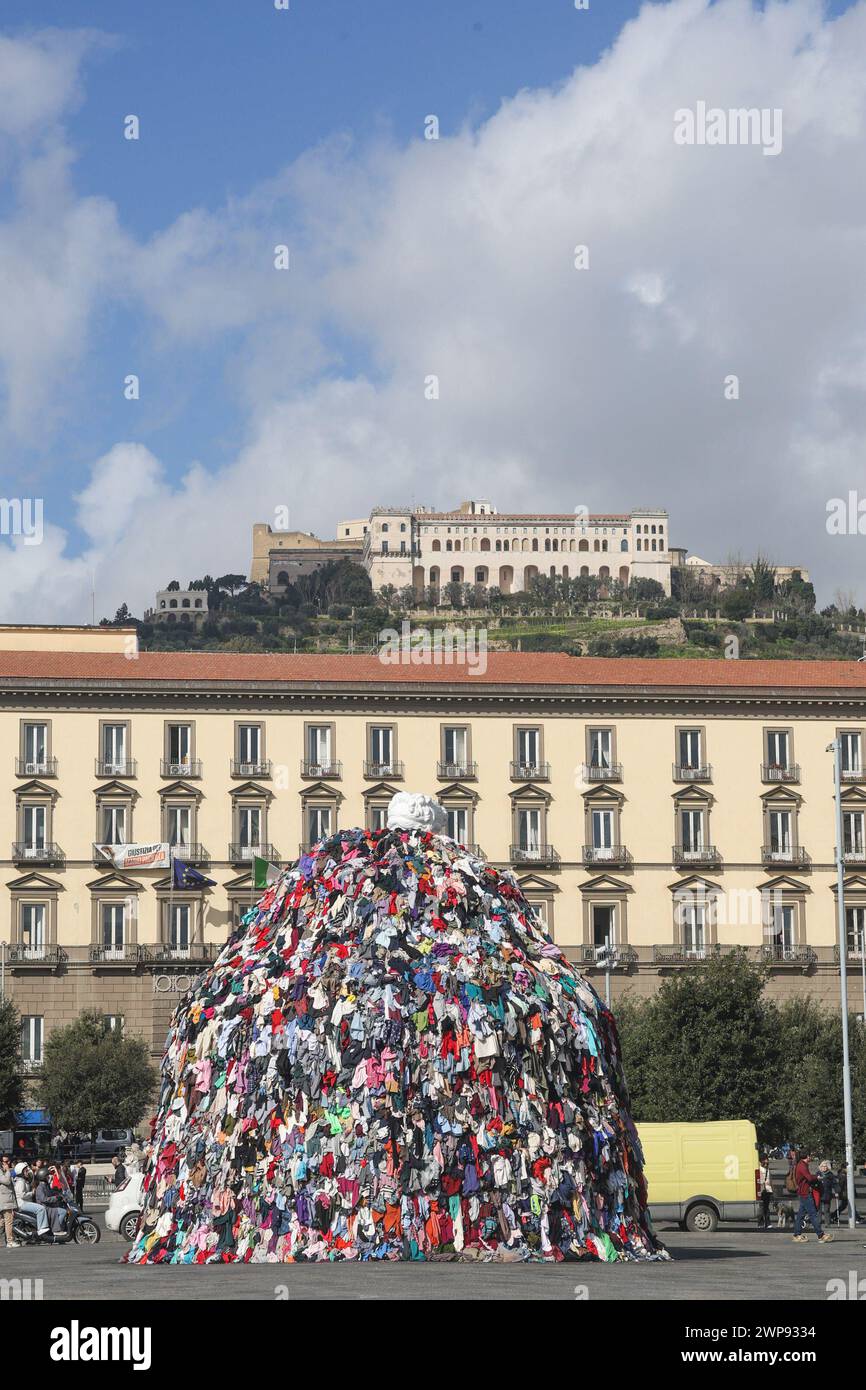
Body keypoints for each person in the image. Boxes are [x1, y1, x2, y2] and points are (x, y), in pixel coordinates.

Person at [792, 1150, 834, 1243]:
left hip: (803, 1193)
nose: (811, 1158)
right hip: (806, 1193)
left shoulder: (801, 1164)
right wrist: (817, 1177)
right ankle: (821, 1235)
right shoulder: (802, 1165)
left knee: (801, 1215)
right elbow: (809, 1178)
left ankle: (796, 1234)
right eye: (810, 1156)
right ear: (807, 1156)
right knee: (813, 1214)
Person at [12, 1163, 51, 1239]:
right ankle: (42, 1229)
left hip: (24, 1202)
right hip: (22, 1203)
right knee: (41, 1209)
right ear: (21, 1172)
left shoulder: (23, 1180)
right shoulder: (20, 1182)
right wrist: (32, 1193)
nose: (27, 1172)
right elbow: (22, 1195)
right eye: (26, 1171)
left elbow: (32, 1177)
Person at [0, 1154, 20, 1249]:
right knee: (8, 1221)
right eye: (5, 1161)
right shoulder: (2, 1172)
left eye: (8, 1161)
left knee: (2, 1222)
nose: (7, 1163)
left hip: (6, 1200)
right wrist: (8, 1170)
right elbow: (6, 1181)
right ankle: (10, 1241)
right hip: (5, 1201)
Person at [818, 1161, 839, 1227]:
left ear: (828, 1167)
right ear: (820, 1167)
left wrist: (836, 1192)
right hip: (819, 1194)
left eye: (825, 1166)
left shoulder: (830, 1175)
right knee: (818, 1210)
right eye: (822, 1166)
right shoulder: (818, 1174)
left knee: (827, 1210)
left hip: (827, 1194)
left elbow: (835, 1184)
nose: (824, 1167)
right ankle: (818, 1222)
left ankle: (827, 1223)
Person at [758, 1153, 774, 1229]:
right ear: (762, 1160)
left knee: (766, 1207)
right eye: (766, 1159)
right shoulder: (759, 1169)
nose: (767, 1161)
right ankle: (761, 1222)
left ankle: (767, 1222)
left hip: (768, 1190)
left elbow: (770, 1180)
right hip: (761, 1190)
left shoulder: (767, 1169)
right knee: (761, 1207)